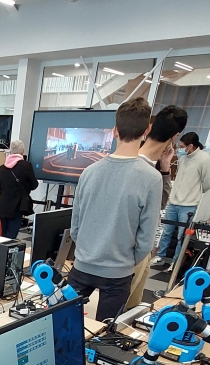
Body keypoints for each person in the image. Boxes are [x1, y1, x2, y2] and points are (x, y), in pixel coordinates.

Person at [69, 97, 162, 322]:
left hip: (82, 265)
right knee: (105, 334)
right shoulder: (152, 178)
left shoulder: (89, 172)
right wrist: (126, 262)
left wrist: (87, 252)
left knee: (64, 326)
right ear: (146, 131)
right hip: (119, 271)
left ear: (115, 131)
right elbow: (146, 239)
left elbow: (75, 227)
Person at [126, 105, 188, 308]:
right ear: (175, 136)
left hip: (141, 249)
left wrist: (165, 168)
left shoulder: (151, 169)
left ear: (150, 128)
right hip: (131, 251)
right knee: (121, 308)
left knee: (131, 305)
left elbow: (159, 203)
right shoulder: (141, 169)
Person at [152, 132, 210, 270]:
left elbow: (208, 183)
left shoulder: (203, 159)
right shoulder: (183, 158)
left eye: (182, 146)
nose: (180, 149)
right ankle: (160, 256)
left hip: (188, 205)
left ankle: (176, 262)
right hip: (173, 202)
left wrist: (194, 193)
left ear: (190, 146)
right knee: (166, 231)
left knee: (182, 236)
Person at [0, 140, 39, 239]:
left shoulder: (2, 168)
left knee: (2, 235)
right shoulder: (26, 165)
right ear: (22, 151)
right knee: (11, 236)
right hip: (17, 206)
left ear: (10, 151)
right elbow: (34, 185)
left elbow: (0, 186)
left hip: (3, 206)